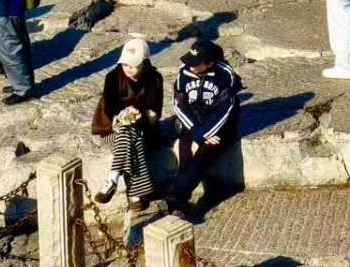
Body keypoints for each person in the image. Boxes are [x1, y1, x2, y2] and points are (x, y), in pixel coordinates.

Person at [168, 37, 243, 216]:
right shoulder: (184, 72)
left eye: (195, 63)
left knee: (202, 154)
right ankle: (179, 204)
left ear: (209, 63)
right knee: (185, 155)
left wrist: (202, 137)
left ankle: (174, 198)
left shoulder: (225, 75)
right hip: (193, 122)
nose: (190, 66)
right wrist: (196, 134)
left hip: (219, 125)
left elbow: (224, 111)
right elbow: (179, 105)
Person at [94, 37, 165, 212]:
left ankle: (112, 179)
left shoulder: (155, 78)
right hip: (112, 127)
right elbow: (110, 106)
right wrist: (122, 116)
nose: (128, 69)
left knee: (131, 134)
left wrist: (138, 117)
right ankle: (137, 195)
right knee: (129, 135)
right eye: (125, 64)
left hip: (143, 127)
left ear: (144, 62)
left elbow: (156, 110)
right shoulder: (112, 77)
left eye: (133, 65)